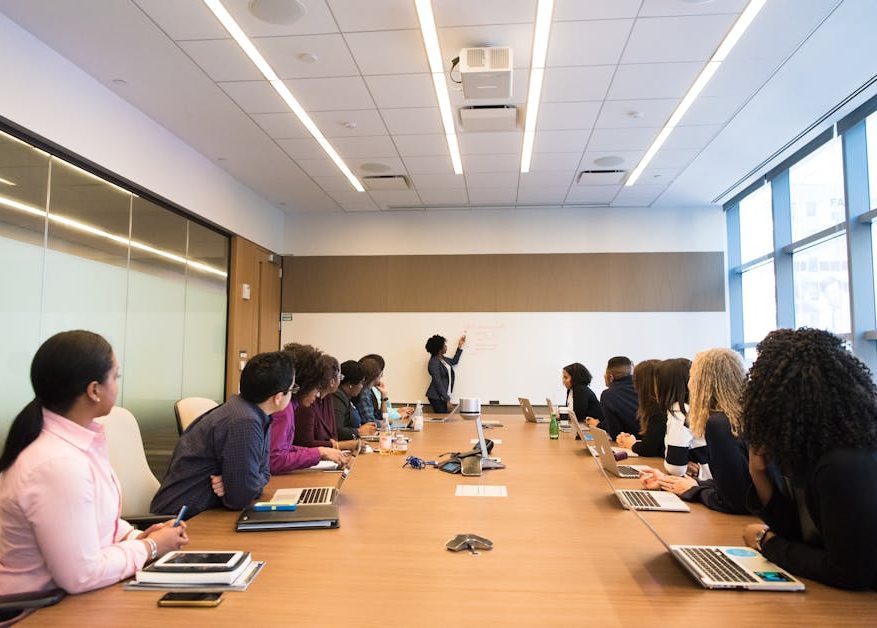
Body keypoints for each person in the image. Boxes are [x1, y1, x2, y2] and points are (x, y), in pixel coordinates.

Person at [0, 330, 188, 595]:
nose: (117, 385)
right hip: (43, 607)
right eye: (115, 377)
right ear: (94, 390)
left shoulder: (76, 444)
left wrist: (137, 536)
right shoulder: (58, 464)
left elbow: (95, 520)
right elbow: (82, 575)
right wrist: (151, 547)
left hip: (75, 597)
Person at [739, 328, 877, 590]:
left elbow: (849, 573)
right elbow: (799, 535)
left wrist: (766, 542)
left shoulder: (845, 462)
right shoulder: (811, 449)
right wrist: (758, 473)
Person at [151, 351, 294, 517]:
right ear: (278, 397)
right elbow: (240, 498)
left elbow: (265, 473)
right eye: (293, 388)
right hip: (181, 520)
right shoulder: (244, 421)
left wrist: (238, 483)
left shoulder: (252, 413)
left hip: (202, 511)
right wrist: (242, 485)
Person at [639, 349, 750, 514]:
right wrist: (674, 482)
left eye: (692, 377)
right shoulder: (743, 416)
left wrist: (694, 490)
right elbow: (740, 486)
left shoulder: (719, 424)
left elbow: (734, 501)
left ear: (701, 383)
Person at [269, 344, 347, 474]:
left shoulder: (290, 405)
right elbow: (274, 459)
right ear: (306, 384)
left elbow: (284, 448)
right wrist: (319, 452)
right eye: (316, 387)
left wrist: (320, 452)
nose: (317, 393)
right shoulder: (284, 409)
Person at [650, 357, 710, 480]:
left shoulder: (679, 412)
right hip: (711, 477)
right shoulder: (698, 407)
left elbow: (675, 469)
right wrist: (683, 463)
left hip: (700, 480)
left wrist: (680, 465)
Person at [294, 353, 358, 452]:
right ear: (332, 382)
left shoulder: (328, 397)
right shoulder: (308, 402)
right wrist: (341, 445)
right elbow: (306, 443)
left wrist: (336, 446)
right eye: (340, 377)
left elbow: (333, 434)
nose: (340, 381)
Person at [616, 359, 664, 456]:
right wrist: (631, 441)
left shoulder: (658, 411)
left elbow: (648, 449)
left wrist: (632, 444)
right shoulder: (657, 406)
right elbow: (654, 443)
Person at [363, 353, 412, 427]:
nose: (382, 375)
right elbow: (370, 423)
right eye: (381, 372)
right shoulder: (364, 393)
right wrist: (391, 419)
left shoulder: (370, 391)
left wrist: (384, 395)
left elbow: (382, 416)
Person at [598, 356, 638, 439]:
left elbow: (615, 432)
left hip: (628, 442)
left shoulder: (608, 395)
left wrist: (598, 425)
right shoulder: (643, 388)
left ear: (611, 377)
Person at [425, 333, 465, 413]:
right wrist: (447, 399)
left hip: (442, 396)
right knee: (442, 418)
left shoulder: (442, 359)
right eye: (444, 345)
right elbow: (438, 382)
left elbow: (454, 361)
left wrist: (459, 346)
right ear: (440, 349)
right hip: (436, 396)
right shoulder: (433, 362)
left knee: (444, 417)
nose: (446, 347)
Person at [333, 360, 373, 440]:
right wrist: (358, 431)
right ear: (351, 384)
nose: (362, 387)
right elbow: (337, 430)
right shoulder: (337, 397)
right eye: (361, 383)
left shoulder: (346, 396)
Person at [562, 363, 603, 427]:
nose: (563, 380)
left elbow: (578, 416)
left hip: (595, 426)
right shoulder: (571, 390)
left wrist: (563, 416)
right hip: (584, 424)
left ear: (575, 378)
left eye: (566, 377)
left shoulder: (580, 390)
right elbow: (570, 411)